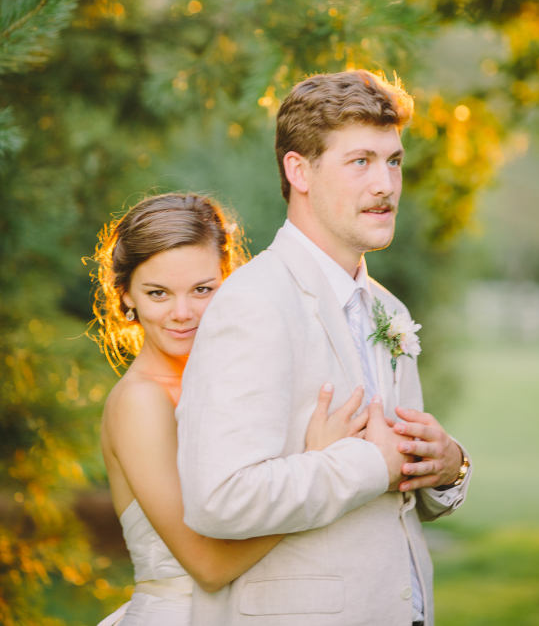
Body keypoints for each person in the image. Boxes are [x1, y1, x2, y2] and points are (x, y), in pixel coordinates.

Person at [177, 70, 472, 626]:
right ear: (299, 170)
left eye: (394, 161)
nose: (385, 184)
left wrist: (448, 467)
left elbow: (398, 488)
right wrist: (366, 463)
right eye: (360, 161)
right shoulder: (253, 303)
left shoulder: (389, 310)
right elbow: (218, 497)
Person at [91, 192, 369, 626]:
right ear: (126, 295)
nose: (182, 313)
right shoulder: (140, 401)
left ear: (229, 281)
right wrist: (321, 467)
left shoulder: (243, 380)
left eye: (202, 290)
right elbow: (209, 565)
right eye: (158, 293)